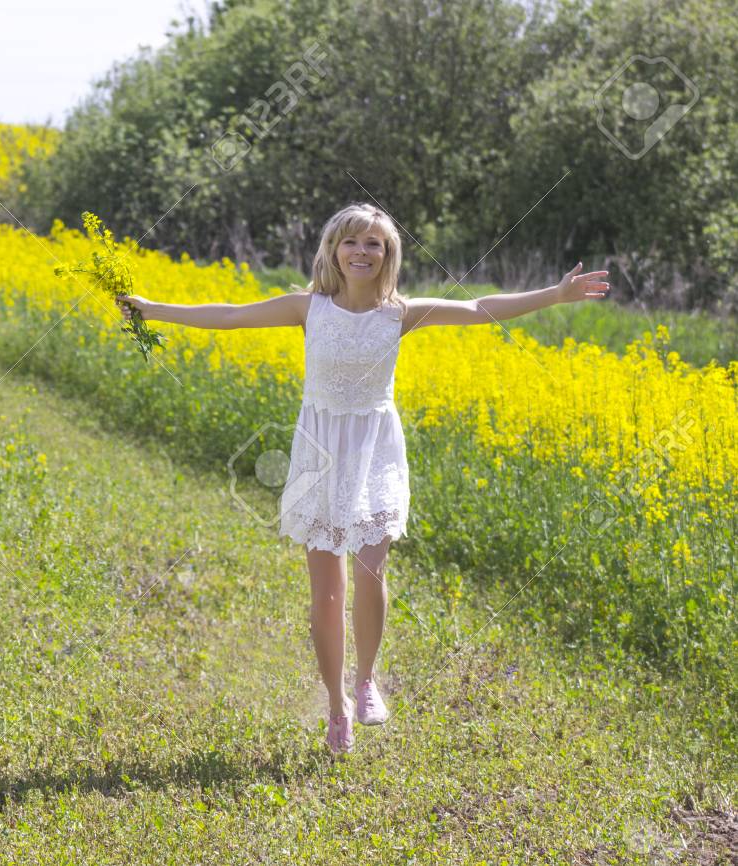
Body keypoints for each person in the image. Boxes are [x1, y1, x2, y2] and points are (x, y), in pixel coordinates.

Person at [114, 202, 610, 754]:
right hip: (319, 453)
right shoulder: (308, 308)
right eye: (351, 242)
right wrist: (153, 310)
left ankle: (366, 680)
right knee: (327, 594)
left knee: (371, 573)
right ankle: (335, 708)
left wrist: (554, 294)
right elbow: (230, 314)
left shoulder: (399, 313)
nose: (362, 252)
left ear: (389, 255)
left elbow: (477, 306)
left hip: (375, 453)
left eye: (374, 244)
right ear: (333, 251)